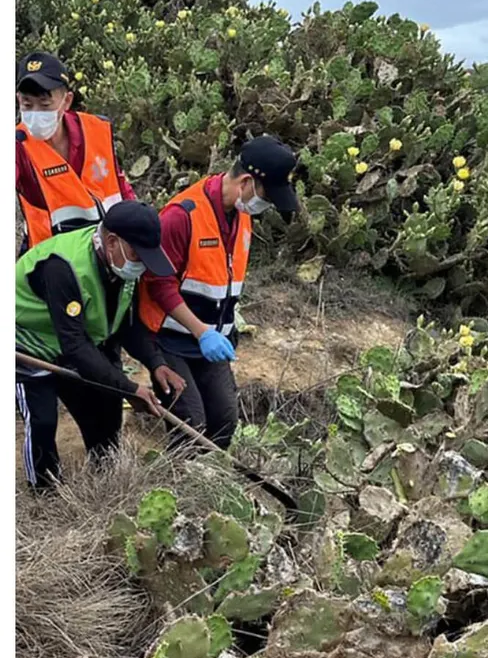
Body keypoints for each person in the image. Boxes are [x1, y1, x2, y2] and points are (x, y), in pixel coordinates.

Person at [139, 135, 299, 450]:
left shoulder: (242, 215)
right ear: (246, 182)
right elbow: (159, 284)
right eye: (267, 196)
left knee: (225, 420)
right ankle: (180, 485)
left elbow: (222, 275)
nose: (266, 206)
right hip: (168, 339)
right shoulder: (181, 215)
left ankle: (209, 482)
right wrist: (201, 332)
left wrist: (227, 326)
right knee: (191, 425)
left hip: (212, 338)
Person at [15, 201, 186, 491]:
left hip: (77, 342)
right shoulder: (63, 268)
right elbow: (75, 346)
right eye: (137, 254)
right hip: (28, 345)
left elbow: (126, 325)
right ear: (111, 242)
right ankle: (44, 491)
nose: (142, 264)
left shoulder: (121, 267)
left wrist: (156, 362)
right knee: (42, 420)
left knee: (107, 404)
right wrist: (129, 388)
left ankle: (105, 472)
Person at [15, 51, 136, 255]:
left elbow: (119, 186)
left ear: (67, 100)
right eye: (27, 104)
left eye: (45, 104)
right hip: (51, 263)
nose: (35, 112)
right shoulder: (18, 145)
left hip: (109, 255)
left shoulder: (97, 129)